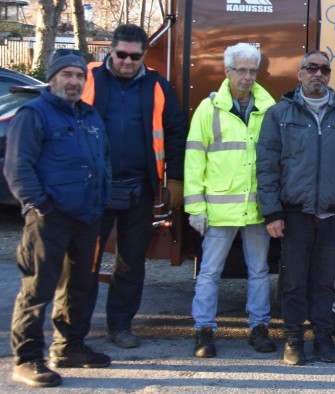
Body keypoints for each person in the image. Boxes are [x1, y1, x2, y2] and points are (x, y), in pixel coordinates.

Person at [256, 51, 335, 366]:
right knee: (293, 280)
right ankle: (293, 340)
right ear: (300, 74)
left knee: (324, 280)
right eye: (311, 68)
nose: (318, 74)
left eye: (324, 69)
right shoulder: (279, 115)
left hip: (332, 214)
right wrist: (273, 212)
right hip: (294, 214)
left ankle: (323, 339)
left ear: (329, 75)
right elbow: (267, 168)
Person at [6, 50, 111, 387]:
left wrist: (101, 199)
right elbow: (17, 167)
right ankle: (27, 359)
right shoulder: (34, 114)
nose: (74, 81)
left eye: (80, 76)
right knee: (38, 289)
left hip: (88, 217)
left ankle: (69, 347)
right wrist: (40, 206)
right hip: (50, 218)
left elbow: (102, 161)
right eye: (67, 74)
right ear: (52, 78)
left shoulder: (90, 115)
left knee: (81, 286)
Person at [81, 24, 187, 349]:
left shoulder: (157, 86)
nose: (127, 61)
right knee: (84, 260)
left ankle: (121, 326)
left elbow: (175, 133)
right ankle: (74, 329)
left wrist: (175, 180)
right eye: (121, 54)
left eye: (134, 56)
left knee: (131, 262)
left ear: (143, 55)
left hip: (139, 188)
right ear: (110, 51)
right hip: (92, 188)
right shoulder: (88, 77)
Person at [185, 43, 277, 358]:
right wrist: (196, 208)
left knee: (259, 271)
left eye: (253, 71)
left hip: (256, 210)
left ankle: (259, 328)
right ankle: (203, 331)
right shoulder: (208, 110)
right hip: (219, 211)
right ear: (228, 72)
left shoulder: (268, 107)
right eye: (241, 70)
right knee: (210, 271)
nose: (248, 77)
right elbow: (194, 162)